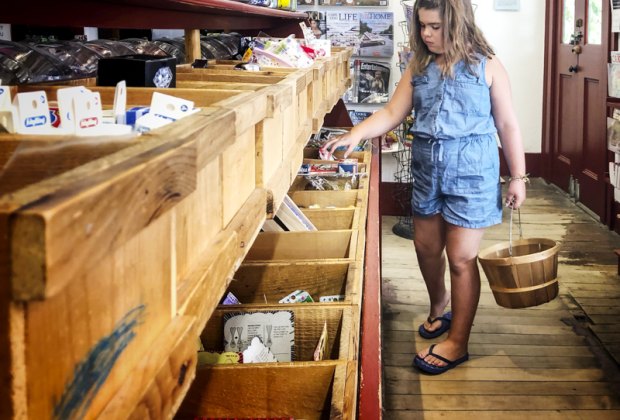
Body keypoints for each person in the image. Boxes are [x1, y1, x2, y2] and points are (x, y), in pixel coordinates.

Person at [322, 0, 527, 375]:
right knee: (425, 246)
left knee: (461, 258)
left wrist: (518, 176)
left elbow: (508, 124)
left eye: (435, 27)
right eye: (422, 26)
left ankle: (457, 342)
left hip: (472, 174)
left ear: (458, 23)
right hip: (428, 170)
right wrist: (354, 134)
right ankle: (439, 304)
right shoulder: (419, 66)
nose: (427, 34)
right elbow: (389, 113)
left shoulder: (488, 65)